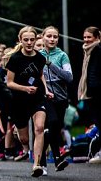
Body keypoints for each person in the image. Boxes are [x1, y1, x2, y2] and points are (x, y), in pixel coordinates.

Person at [5, 26, 53, 177]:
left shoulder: (40, 58)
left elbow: (40, 76)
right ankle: (24, 143)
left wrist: (45, 90)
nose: (29, 42)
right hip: (19, 101)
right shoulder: (15, 59)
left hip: (37, 98)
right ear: (20, 40)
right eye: (26, 40)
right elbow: (9, 83)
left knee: (39, 128)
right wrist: (25, 88)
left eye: (32, 40)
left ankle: (37, 164)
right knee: (24, 138)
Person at [40, 26, 72, 172]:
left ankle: (44, 161)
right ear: (43, 37)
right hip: (44, 97)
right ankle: (52, 159)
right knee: (50, 123)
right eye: (49, 36)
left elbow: (69, 77)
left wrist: (51, 65)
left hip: (61, 98)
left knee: (53, 129)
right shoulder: (38, 55)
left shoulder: (62, 56)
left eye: (55, 37)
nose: (52, 39)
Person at [77, 27, 101, 162]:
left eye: (89, 37)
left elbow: (94, 73)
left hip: (96, 93)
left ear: (97, 37)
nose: (86, 40)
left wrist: (93, 89)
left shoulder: (97, 50)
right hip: (91, 93)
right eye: (84, 37)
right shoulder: (88, 50)